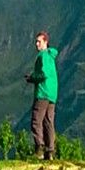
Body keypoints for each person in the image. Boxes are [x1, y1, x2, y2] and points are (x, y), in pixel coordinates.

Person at [23, 31, 59, 159]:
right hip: (52, 94)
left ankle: (39, 148)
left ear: (45, 42)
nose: (36, 44)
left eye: (39, 41)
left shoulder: (42, 56)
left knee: (36, 121)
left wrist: (31, 78)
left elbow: (42, 75)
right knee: (49, 122)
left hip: (43, 92)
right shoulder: (51, 57)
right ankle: (50, 151)